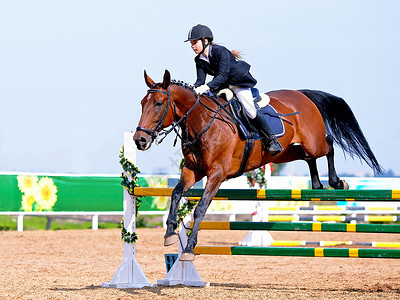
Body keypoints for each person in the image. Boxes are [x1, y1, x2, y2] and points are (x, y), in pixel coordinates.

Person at [185, 24, 283, 156]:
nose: (192, 46)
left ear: (205, 40)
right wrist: (191, 89)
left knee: (250, 109)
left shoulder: (221, 51)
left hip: (238, 83)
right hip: (222, 85)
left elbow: (223, 75)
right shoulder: (198, 59)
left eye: (195, 42)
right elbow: (200, 81)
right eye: (191, 43)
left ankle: (272, 140)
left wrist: (206, 87)